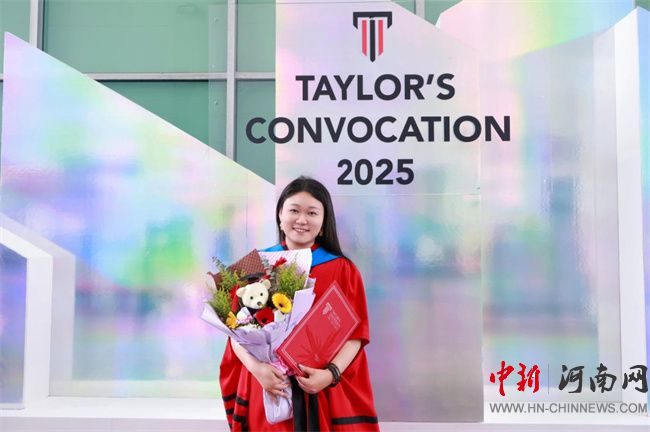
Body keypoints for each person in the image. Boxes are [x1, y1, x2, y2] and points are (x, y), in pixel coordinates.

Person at [219, 176, 379, 431]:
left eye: (312, 213)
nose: (302, 220)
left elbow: (356, 336)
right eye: (294, 210)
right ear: (280, 216)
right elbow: (234, 330)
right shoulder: (255, 263)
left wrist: (330, 374)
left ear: (323, 223)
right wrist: (257, 369)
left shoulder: (344, 270)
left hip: (320, 389)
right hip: (268, 386)